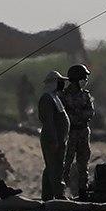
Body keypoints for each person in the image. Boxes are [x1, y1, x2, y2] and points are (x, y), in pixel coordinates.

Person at [62, 64, 95, 198]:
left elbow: (90, 112)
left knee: (83, 162)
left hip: (83, 131)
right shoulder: (64, 96)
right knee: (66, 163)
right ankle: (62, 191)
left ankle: (83, 191)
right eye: (83, 78)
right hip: (70, 133)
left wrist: (78, 116)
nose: (85, 81)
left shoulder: (85, 95)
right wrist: (78, 116)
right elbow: (64, 115)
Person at [38, 71, 70, 200]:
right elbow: (49, 121)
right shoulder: (47, 98)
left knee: (53, 166)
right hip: (52, 138)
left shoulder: (54, 96)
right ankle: (58, 194)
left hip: (59, 138)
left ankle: (48, 195)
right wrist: (54, 140)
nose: (63, 84)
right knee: (55, 167)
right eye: (60, 81)